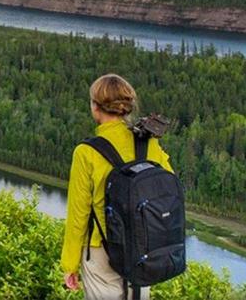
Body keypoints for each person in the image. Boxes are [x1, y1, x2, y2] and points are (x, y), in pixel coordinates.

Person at [61, 74, 173, 300]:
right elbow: (168, 186)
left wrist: (69, 264)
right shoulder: (149, 142)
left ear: (95, 107)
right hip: (142, 246)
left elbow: (78, 215)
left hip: (101, 250)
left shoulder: (86, 152)